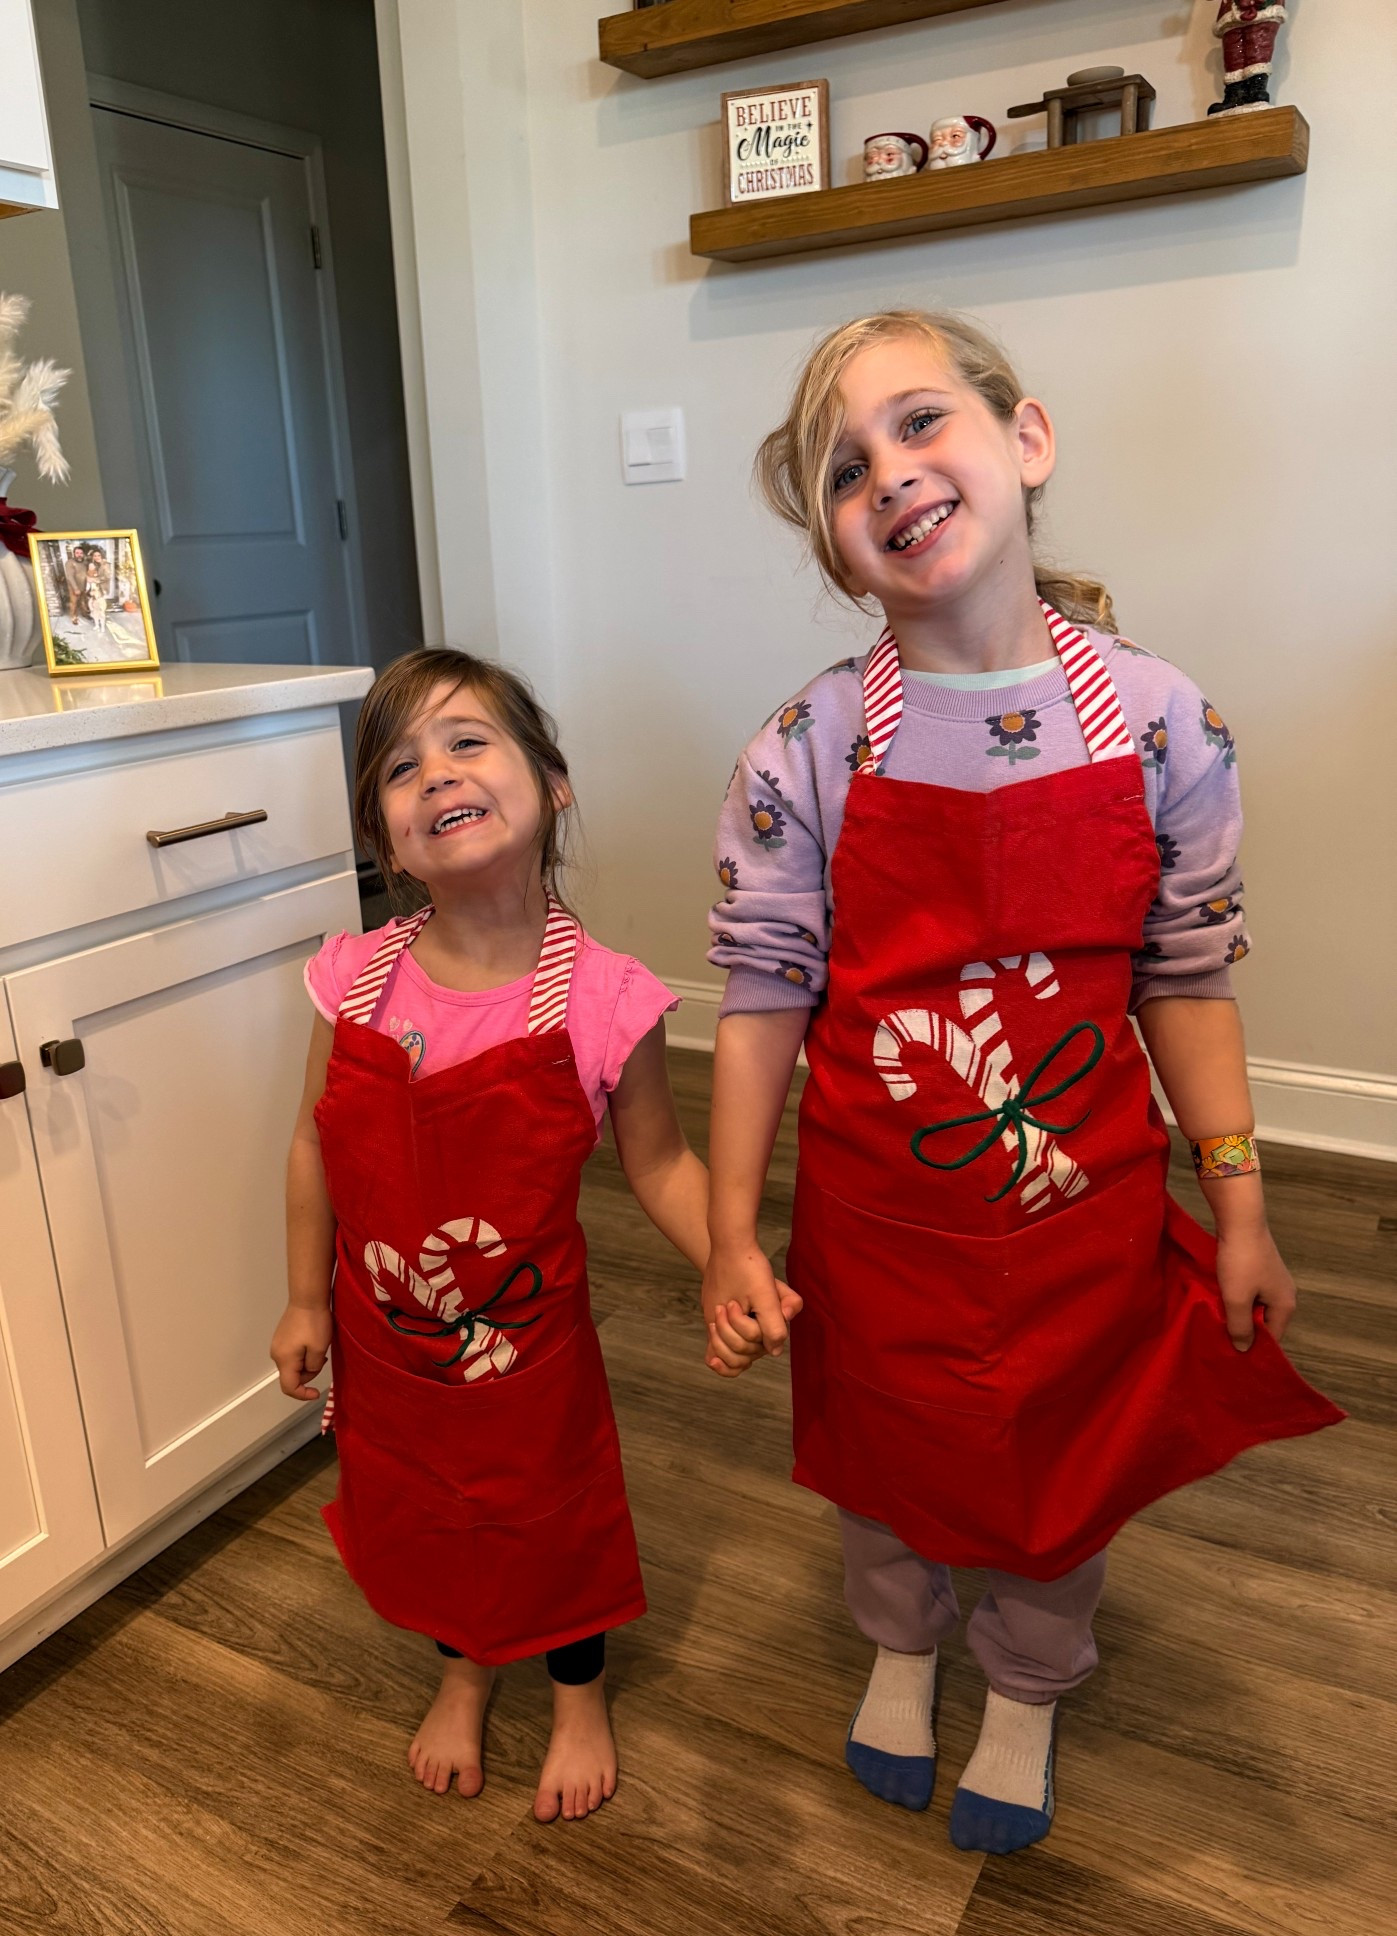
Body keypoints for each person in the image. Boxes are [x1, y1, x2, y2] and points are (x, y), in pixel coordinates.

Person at [700, 310, 1342, 1856]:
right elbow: (760, 1003)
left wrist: (1238, 1205)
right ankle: (901, 1640)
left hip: (1081, 1218)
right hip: (873, 1220)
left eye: (920, 421)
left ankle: (1031, 1680)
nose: (889, 472)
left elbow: (1185, 981)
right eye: (843, 468)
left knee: (1068, 1460)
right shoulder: (810, 750)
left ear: (1026, 439)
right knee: (878, 1455)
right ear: (836, 544)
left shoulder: (1163, 725)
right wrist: (730, 1233)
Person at [270, 647, 717, 1825]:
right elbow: (313, 1141)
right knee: (422, 1513)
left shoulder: (606, 999)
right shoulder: (349, 980)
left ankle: (577, 1690)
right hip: (386, 1346)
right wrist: (306, 1297)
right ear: (385, 837)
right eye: (399, 767)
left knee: (546, 1515)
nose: (435, 773)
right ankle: (463, 1664)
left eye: (466, 741)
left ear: (551, 783)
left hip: (524, 1353)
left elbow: (660, 1163)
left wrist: (730, 1257)